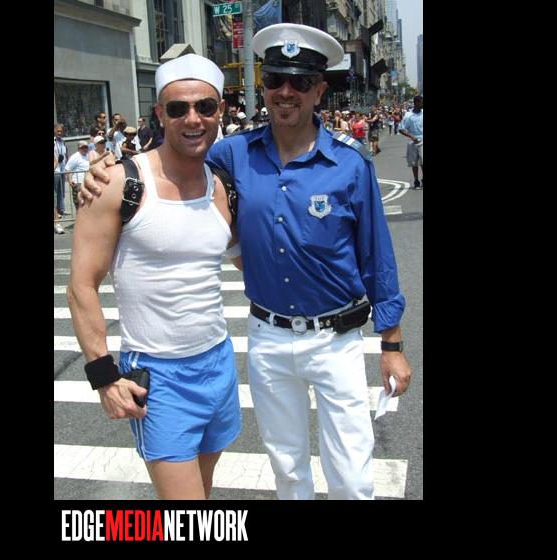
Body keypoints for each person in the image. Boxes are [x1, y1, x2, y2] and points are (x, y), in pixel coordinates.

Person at [80, 25, 412, 501]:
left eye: (300, 82)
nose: (286, 92)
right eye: (275, 80)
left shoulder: (350, 163)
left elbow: (377, 257)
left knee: (352, 475)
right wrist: (104, 168)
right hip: (268, 339)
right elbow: (173, 155)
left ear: (319, 90)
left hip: (335, 341)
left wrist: (391, 343)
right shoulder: (230, 155)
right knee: (287, 468)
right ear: (264, 86)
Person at [66, 53, 241, 500]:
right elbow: (81, 284)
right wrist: (104, 376)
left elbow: (254, 265)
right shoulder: (119, 183)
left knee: (202, 496)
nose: (193, 119)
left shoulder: (222, 187)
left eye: (205, 106)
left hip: (218, 364)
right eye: (178, 108)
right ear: (160, 114)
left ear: (220, 110)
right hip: (159, 377)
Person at [398, 95, 424, 189]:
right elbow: (401, 129)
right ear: (416, 103)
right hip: (413, 141)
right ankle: (416, 180)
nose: (422, 104)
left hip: (422, 139)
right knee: (414, 163)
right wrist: (412, 137)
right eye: (421, 102)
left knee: (423, 161)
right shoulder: (408, 115)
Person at [64, 140, 91, 210]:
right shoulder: (75, 156)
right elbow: (67, 168)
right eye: (82, 147)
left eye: (86, 147)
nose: (84, 149)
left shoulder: (88, 155)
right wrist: (70, 180)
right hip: (78, 182)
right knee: (79, 203)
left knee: (86, 202)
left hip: (87, 182)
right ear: (79, 148)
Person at [53, 123, 68, 219]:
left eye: (61, 131)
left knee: (62, 190)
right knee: (55, 192)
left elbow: (65, 154)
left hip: (62, 168)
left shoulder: (63, 141)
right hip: (56, 169)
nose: (59, 133)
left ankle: (61, 209)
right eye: (58, 131)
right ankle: (56, 211)